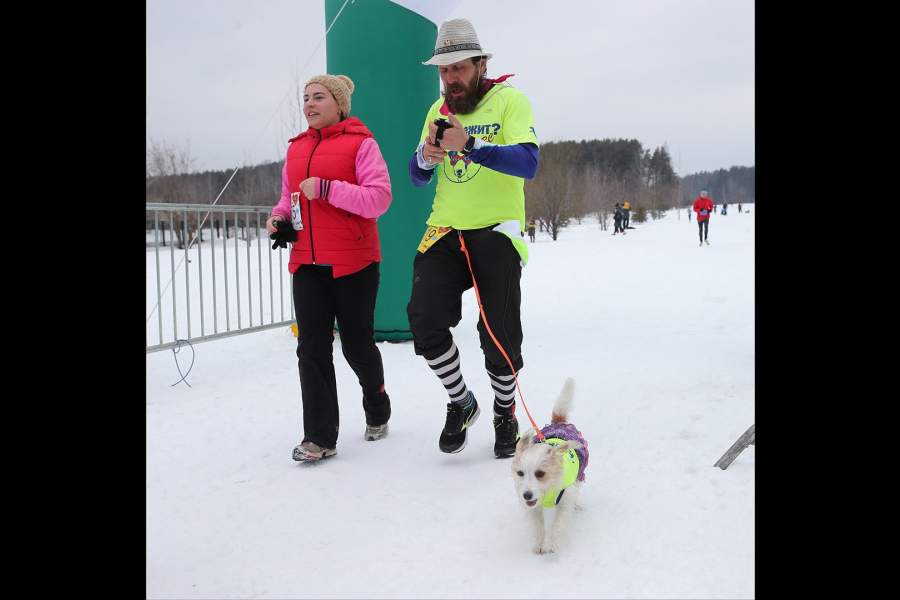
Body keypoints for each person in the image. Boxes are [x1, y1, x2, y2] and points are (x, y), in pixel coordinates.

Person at [407, 18, 539, 458]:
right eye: (443, 70)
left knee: (498, 334)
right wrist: (425, 157)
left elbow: (528, 163)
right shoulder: (437, 110)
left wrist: (471, 146)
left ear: (481, 64)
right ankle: (461, 400)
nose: (450, 79)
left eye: (459, 68)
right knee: (423, 319)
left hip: (496, 230)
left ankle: (504, 411)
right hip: (445, 229)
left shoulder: (510, 101)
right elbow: (416, 177)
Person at [266, 74, 393, 462]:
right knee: (311, 348)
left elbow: (379, 199)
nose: (309, 104)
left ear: (339, 104)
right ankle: (319, 437)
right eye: (306, 97)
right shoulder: (296, 149)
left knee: (356, 345)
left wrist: (327, 189)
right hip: (307, 263)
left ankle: (377, 404)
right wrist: (278, 217)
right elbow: (288, 198)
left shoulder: (362, 143)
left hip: (354, 263)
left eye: (318, 96)